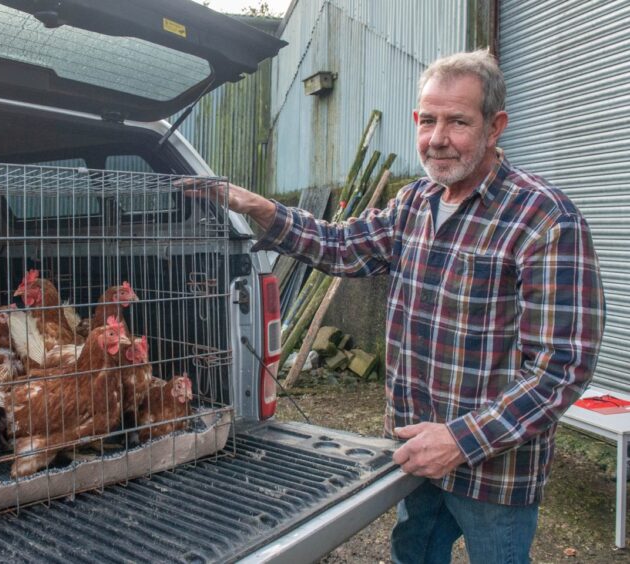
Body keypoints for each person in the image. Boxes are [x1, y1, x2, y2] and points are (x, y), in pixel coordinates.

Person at [185, 49, 605, 563]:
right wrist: (260, 208)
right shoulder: (415, 203)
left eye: (458, 122)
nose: (438, 138)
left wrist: (459, 439)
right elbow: (342, 246)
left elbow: (562, 367)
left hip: (495, 471)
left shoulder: (545, 218)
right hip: (411, 450)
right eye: (428, 120)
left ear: (495, 127)